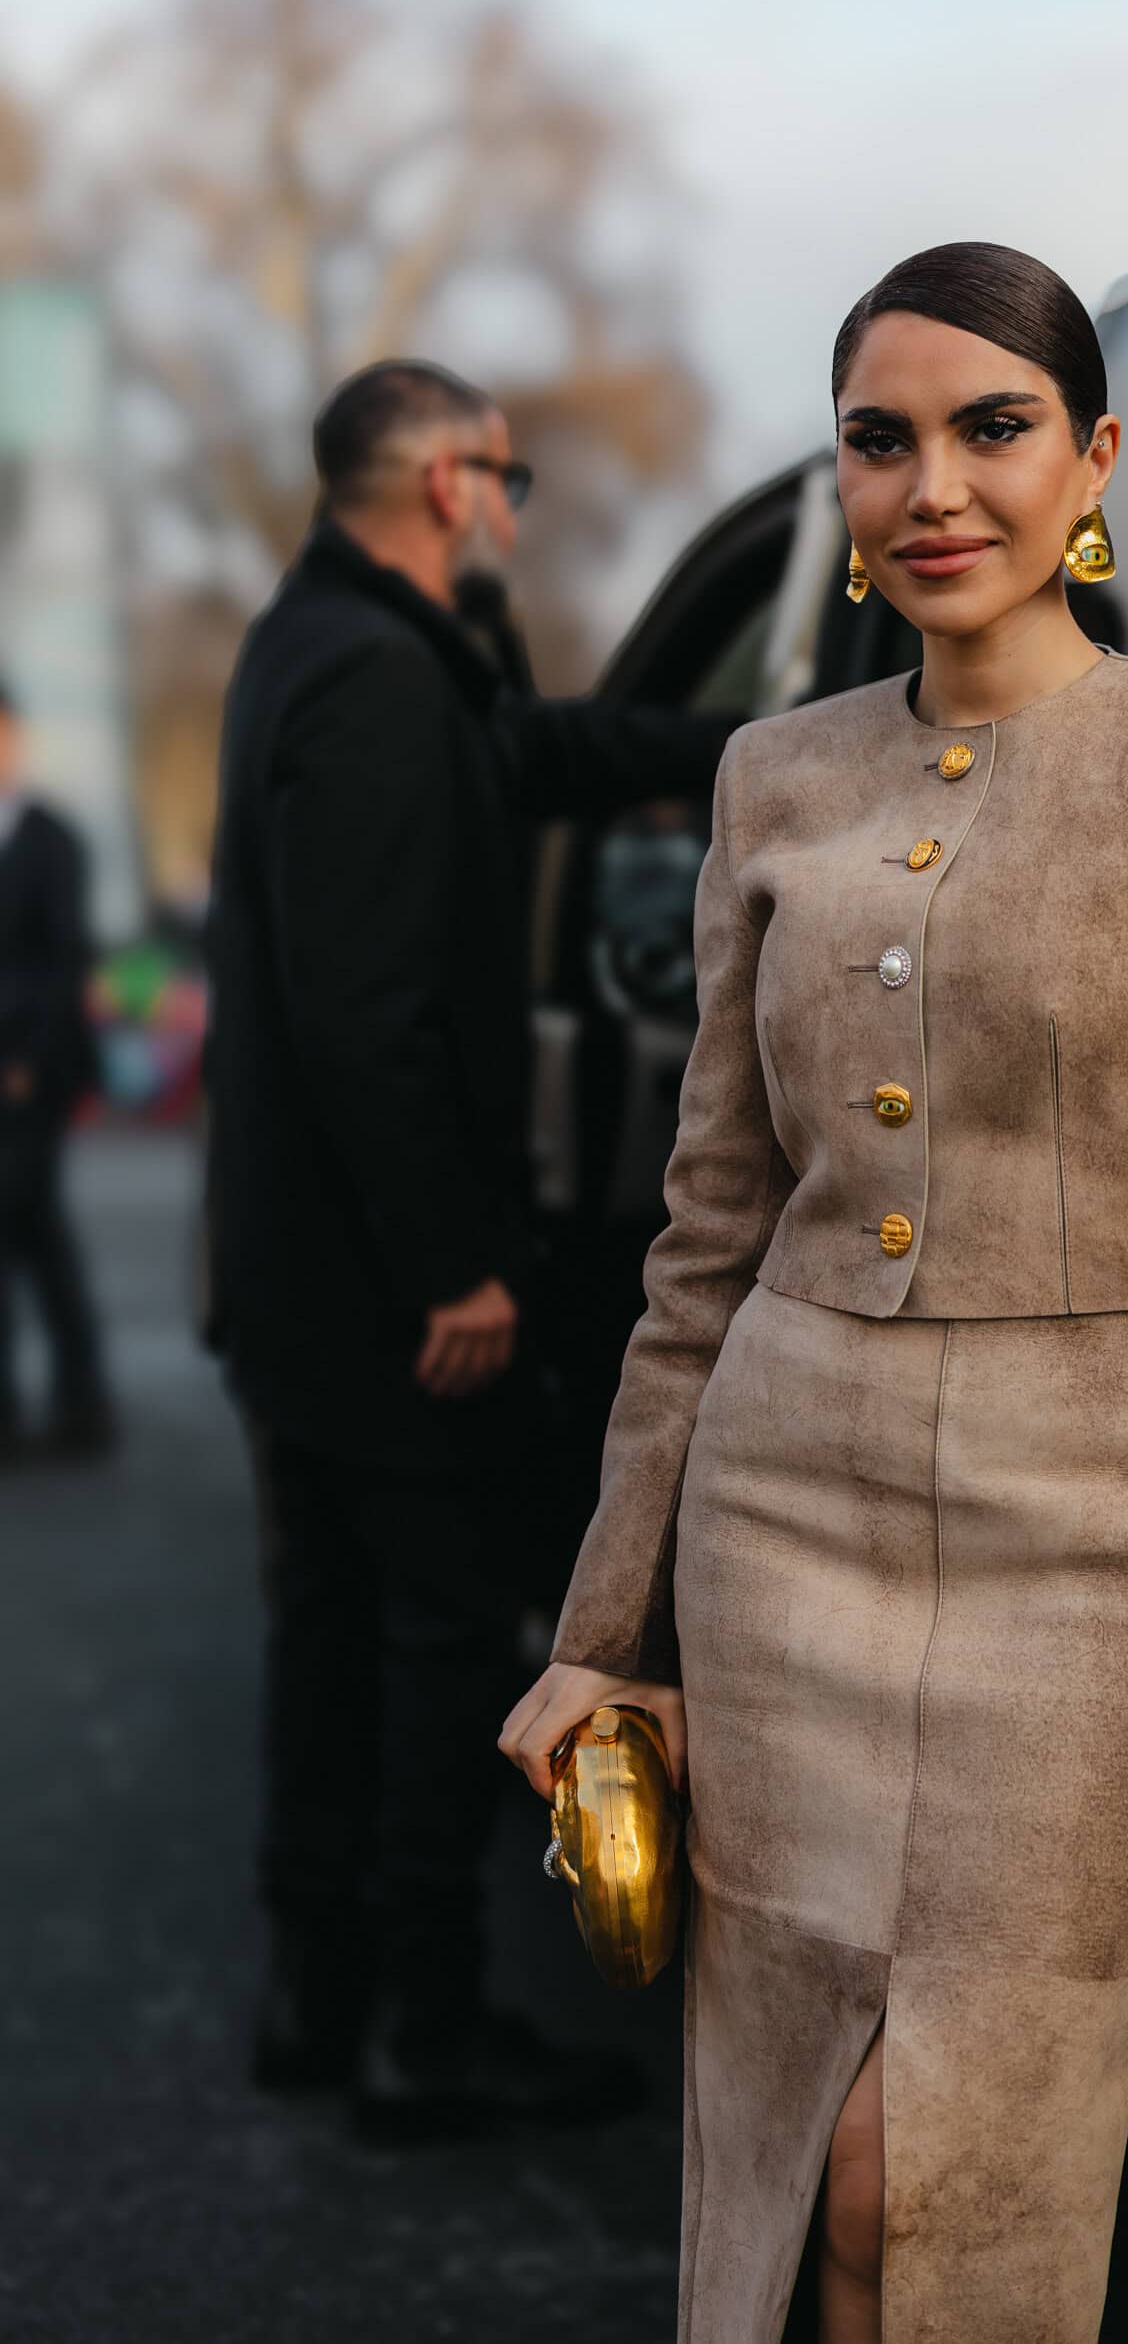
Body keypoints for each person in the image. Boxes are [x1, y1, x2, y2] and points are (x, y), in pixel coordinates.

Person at [500, 243, 1128, 2342]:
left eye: (989, 427)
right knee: (793, 2147)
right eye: (877, 440)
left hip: (1084, 1567)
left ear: (1088, 456)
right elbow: (705, 1232)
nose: (931, 487)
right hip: (775, 1533)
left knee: (944, 2167)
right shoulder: (770, 779)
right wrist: (605, 1634)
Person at [205, 359, 741, 2138]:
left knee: (329, 1632)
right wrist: (454, 1265)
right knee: (444, 1633)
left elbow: (548, 752)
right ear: (446, 483)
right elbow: (362, 1017)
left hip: (299, 1283)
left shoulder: (342, 649)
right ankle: (427, 2032)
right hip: (379, 1294)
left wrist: (771, 740)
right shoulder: (371, 679)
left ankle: (319, 1999)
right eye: (503, 475)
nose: (513, 506)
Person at [0, 678, 114, 1461]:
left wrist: (24, 1063)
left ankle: (82, 1409)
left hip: (29, 1079)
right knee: (34, 1243)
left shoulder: (54, 840)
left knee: (38, 1240)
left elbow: (64, 965)